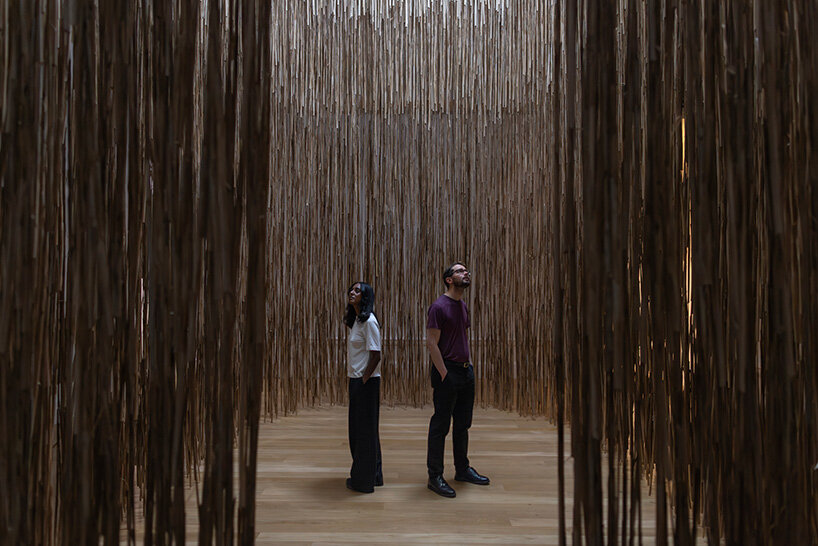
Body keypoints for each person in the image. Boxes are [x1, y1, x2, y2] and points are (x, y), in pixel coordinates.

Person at [425, 262, 490, 498]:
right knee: (441, 425)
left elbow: (462, 337)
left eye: (467, 271)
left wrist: (468, 366)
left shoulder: (462, 306)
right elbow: (432, 343)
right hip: (448, 372)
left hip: (465, 372)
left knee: (463, 424)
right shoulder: (438, 307)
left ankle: (462, 469)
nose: (466, 273)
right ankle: (435, 476)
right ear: (449, 280)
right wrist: (444, 373)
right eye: (460, 271)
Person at [344, 281, 383, 493]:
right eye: (352, 289)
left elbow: (376, 354)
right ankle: (374, 476)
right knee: (365, 431)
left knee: (362, 433)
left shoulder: (369, 322)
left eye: (357, 291)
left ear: (365, 296)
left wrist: (364, 380)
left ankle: (362, 482)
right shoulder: (358, 321)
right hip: (357, 379)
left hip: (364, 382)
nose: (352, 292)